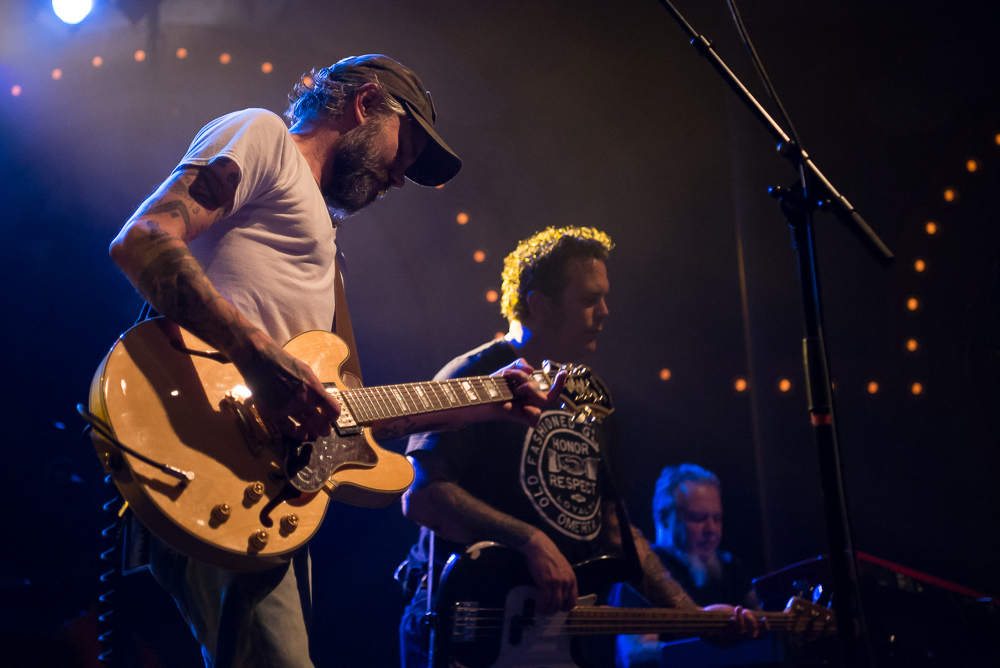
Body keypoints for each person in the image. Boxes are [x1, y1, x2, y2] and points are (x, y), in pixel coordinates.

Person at [108, 54, 560, 668]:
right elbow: (144, 239)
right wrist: (258, 358)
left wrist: (489, 400)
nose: (402, 177)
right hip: (204, 452)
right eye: (408, 148)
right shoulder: (263, 135)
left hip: (265, 494)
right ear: (366, 104)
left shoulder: (328, 257)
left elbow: (345, 418)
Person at [398, 226, 766, 668]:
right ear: (539, 304)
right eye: (590, 299)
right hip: (472, 630)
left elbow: (615, 530)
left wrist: (694, 617)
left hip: (554, 638)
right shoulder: (472, 377)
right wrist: (530, 541)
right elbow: (421, 496)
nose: (605, 312)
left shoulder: (590, 396)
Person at [616, 464, 759, 667]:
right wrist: (718, 647)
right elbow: (635, 653)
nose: (711, 529)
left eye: (717, 518)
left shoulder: (731, 567)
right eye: (698, 518)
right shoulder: (644, 570)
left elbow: (761, 613)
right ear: (664, 518)